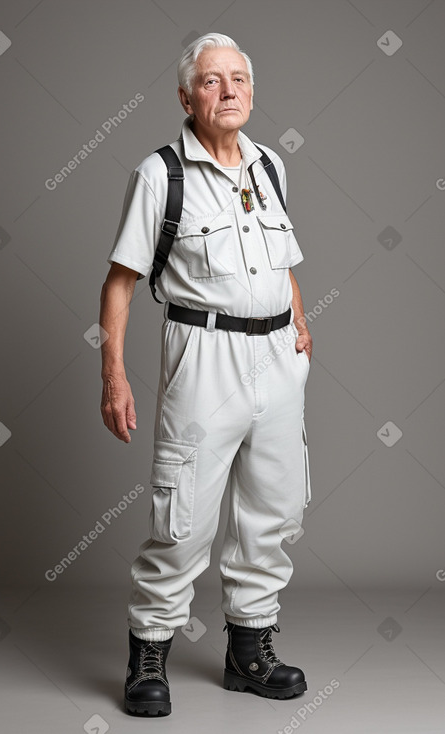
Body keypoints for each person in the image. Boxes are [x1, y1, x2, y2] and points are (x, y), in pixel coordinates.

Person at [100, 32, 313, 717]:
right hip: (204, 358)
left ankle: (249, 651)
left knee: (272, 511)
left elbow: (281, 263)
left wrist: (299, 324)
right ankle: (148, 656)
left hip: (277, 359)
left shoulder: (270, 165)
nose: (228, 91)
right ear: (186, 96)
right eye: (212, 81)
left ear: (251, 91)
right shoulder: (161, 175)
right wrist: (114, 377)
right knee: (182, 518)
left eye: (239, 80)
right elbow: (120, 283)